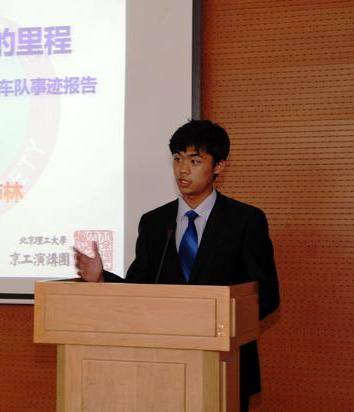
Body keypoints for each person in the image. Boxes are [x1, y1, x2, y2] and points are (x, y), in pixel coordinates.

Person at [73, 119, 280, 411]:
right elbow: (140, 287)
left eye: (194, 161)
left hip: (225, 362)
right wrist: (102, 278)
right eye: (177, 159)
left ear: (219, 166)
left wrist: (217, 325)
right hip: (161, 365)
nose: (182, 169)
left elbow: (266, 296)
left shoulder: (245, 220)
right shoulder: (155, 222)